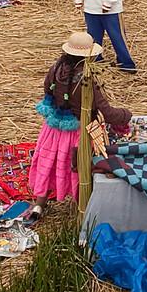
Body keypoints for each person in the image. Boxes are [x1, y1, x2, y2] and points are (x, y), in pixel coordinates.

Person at [31, 33, 131, 202]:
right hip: (77, 134)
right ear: (89, 55)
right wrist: (125, 115)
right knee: (76, 167)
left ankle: (39, 204)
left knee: (50, 163)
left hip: (53, 129)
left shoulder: (57, 67)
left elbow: (47, 89)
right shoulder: (86, 79)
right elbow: (106, 112)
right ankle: (81, 204)